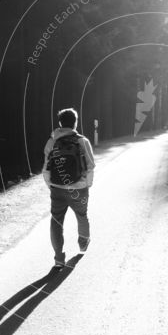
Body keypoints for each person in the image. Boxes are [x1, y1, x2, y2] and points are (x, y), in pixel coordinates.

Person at [43, 107, 96, 269]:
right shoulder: (82, 141)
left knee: (56, 221)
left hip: (57, 188)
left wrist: (51, 186)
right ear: (75, 122)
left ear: (60, 123)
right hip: (78, 188)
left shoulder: (52, 141)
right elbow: (90, 166)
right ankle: (83, 243)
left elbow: (46, 168)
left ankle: (59, 258)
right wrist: (87, 185)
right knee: (82, 215)